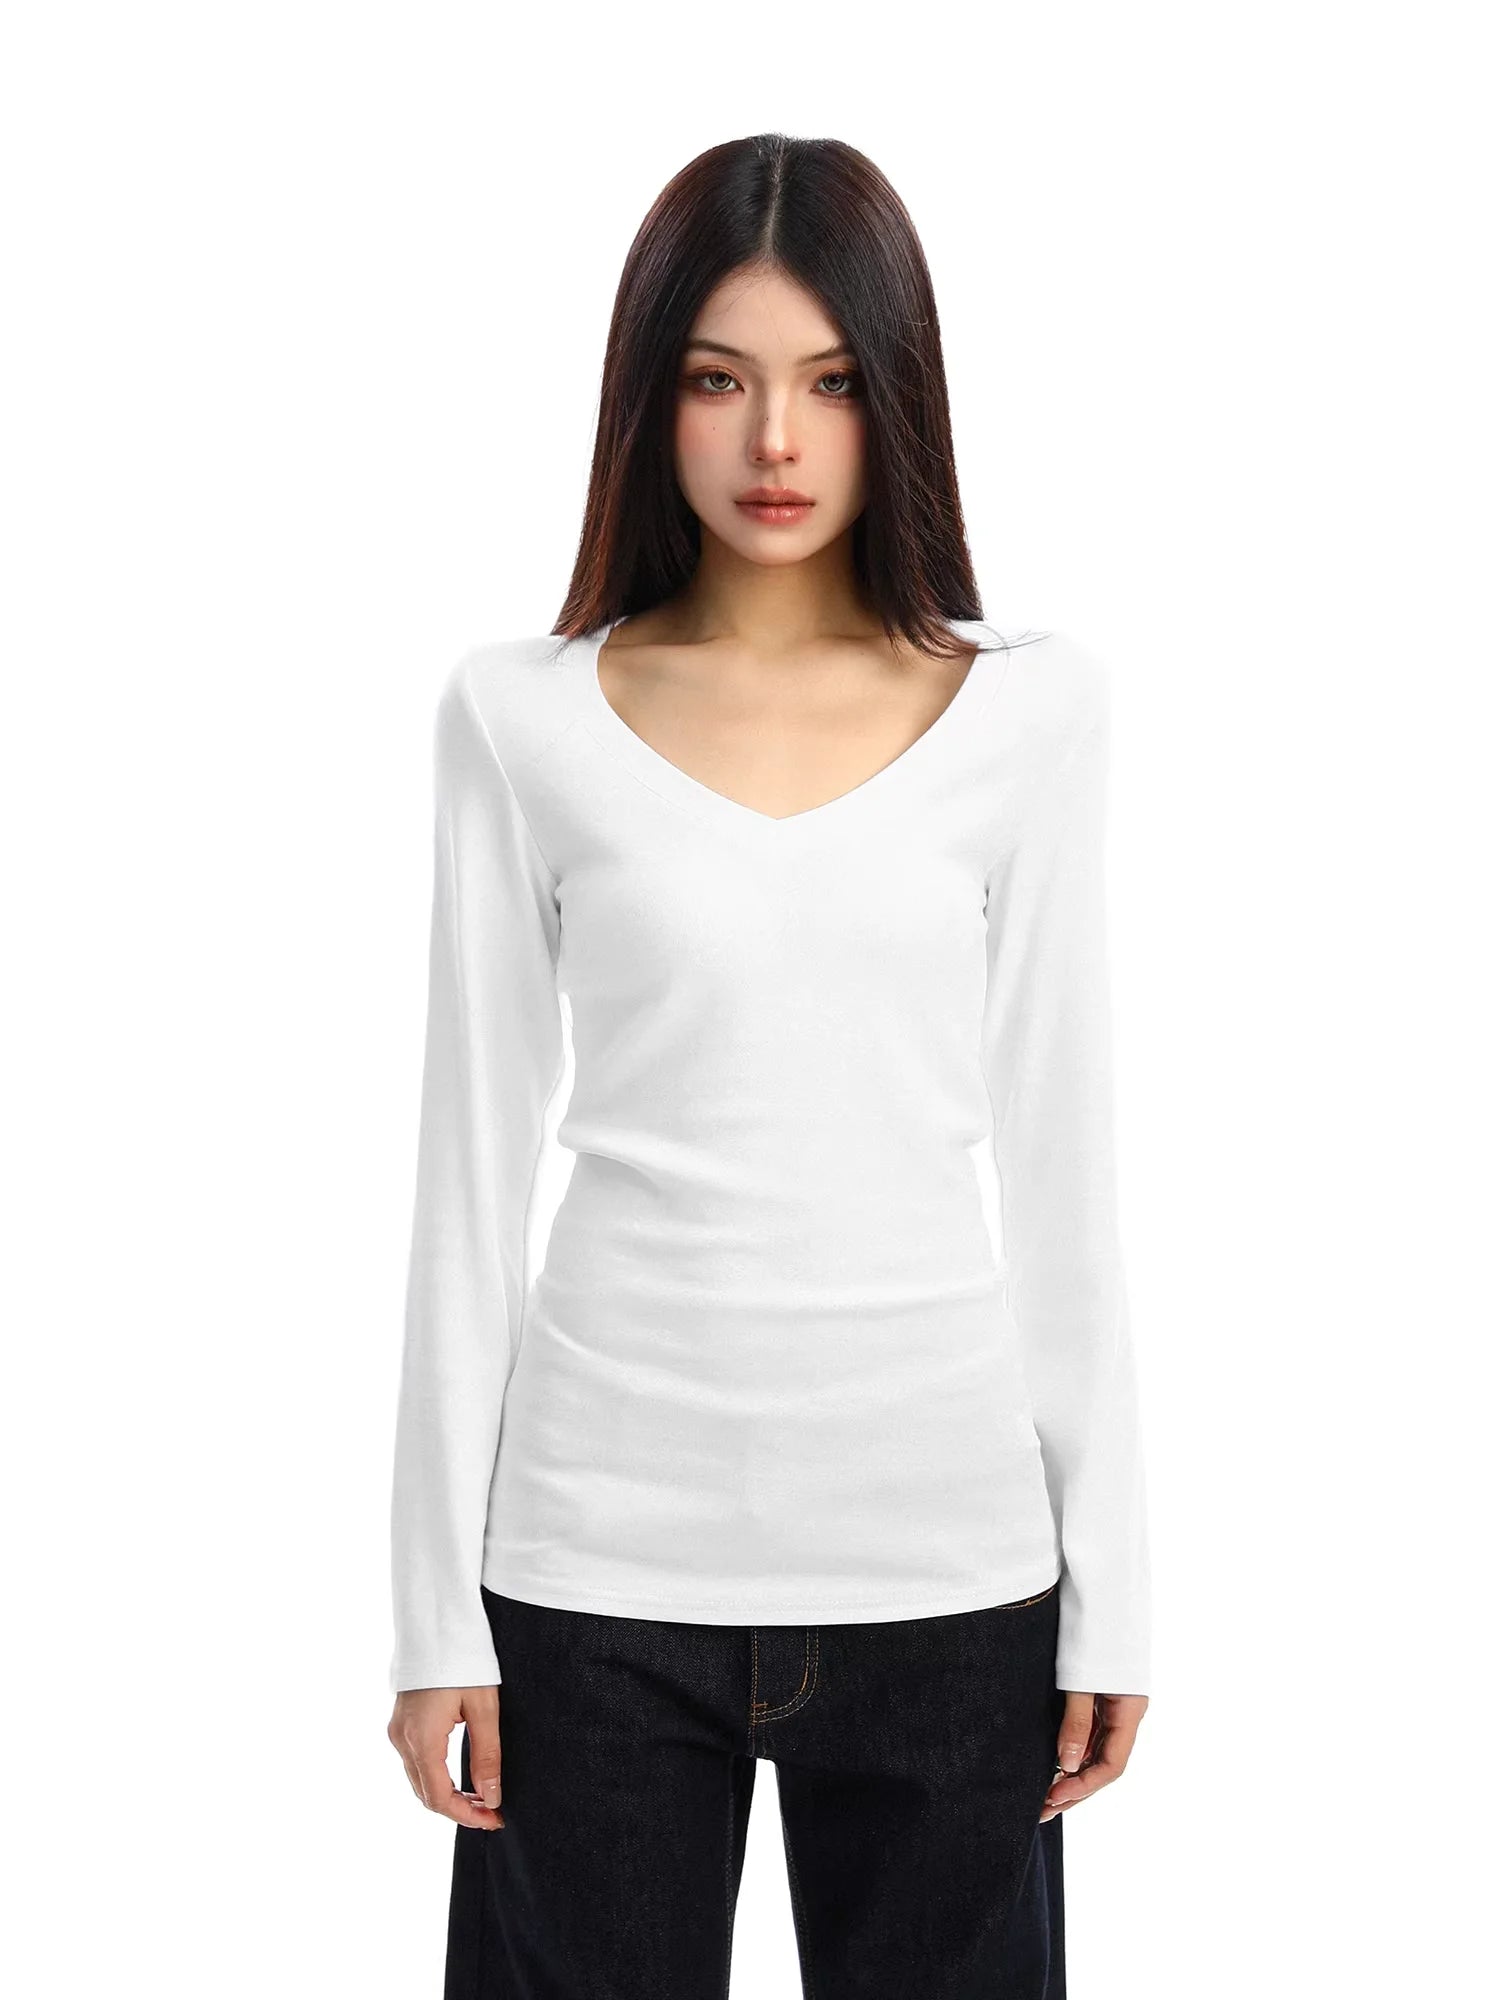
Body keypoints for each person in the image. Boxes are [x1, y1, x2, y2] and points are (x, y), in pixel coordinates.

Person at [386, 131, 1151, 1999]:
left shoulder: (1031, 712)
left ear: (901, 398)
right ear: (651, 402)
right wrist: (430, 1617)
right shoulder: (519, 717)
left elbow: (1063, 1166)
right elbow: (467, 1181)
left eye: (832, 382)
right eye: (720, 381)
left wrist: (1112, 1585)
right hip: (593, 1574)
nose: (777, 442)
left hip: (946, 1570)